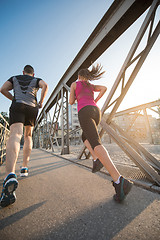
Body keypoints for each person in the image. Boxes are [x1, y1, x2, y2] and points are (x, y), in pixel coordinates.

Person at [69, 64, 132, 203]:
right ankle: (96, 160)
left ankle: (119, 180)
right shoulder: (91, 85)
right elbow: (104, 88)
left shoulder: (75, 83)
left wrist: (76, 95)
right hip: (96, 111)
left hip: (84, 111)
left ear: (79, 76)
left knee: (95, 142)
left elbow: (71, 101)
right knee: (85, 136)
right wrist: (96, 100)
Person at [0, 65, 48, 207]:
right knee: (28, 136)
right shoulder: (37, 79)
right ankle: (24, 167)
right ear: (33, 74)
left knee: (15, 134)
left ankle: (10, 174)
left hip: (18, 105)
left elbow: (2, 89)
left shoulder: (14, 78)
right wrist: (41, 101)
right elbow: (45, 85)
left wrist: (13, 98)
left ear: (23, 72)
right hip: (32, 107)